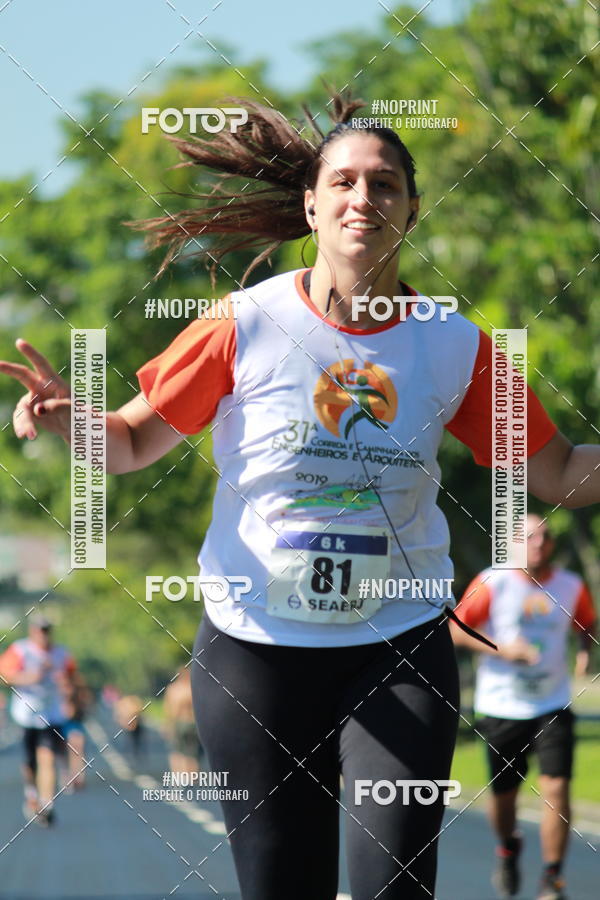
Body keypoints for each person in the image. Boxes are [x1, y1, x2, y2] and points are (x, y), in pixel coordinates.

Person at [2, 91, 600, 898]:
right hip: (254, 649)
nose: (364, 198)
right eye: (345, 182)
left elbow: (559, 472)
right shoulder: (242, 324)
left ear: (413, 210)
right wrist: (72, 420)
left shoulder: (455, 347)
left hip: (398, 643)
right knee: (285, 885)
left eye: (385, 184)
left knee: (394, 884)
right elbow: (132, 441)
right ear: (312, 205)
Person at [450, 513, 596, 900]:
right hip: (502, 705)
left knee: (558, 789)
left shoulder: (570, 585)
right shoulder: (492, 581)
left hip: (552, 703)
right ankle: (507, 846)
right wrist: (502, 648)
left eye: (545, 536)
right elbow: (455, 629)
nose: (539, 543)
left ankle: (552, 879)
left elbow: (587, 624)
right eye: (529, 537)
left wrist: (585, 650)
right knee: (504, 799)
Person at [0, 615, 76, 826]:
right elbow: (5, 675)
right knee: (30, 762)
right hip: (26, 713)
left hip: (51, 713)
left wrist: (68, 696)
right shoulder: (21, 650)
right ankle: (31, 791)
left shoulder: (61, 653)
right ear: (33, 631)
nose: (44, 635)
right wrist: (28, 677)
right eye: (40, 630)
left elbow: (71, 677)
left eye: (47, 630)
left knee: (48, 757)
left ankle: (46, 803)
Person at [163, 666, 203, 775]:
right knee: (192, 753)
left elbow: (170, 709)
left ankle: (179, 776)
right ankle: (192, 776)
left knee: (177, 751)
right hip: (193, 723)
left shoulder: (174, 690)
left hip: (179, 723)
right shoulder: (193, 689)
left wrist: (169, 725)